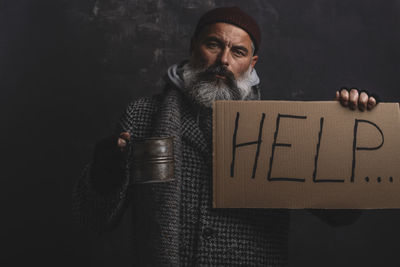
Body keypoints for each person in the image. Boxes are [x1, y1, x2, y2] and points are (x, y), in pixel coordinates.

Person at [73, 6, 378, 266]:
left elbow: (342, 214)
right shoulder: (142, 117)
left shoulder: (281, 129)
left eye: (238, 51)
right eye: (213, 44)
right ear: (193, 47)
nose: (224, 60)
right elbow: (94, 220)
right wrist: (103, 177)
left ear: (252, 63)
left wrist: (349, 134)